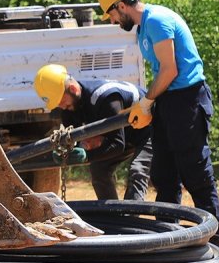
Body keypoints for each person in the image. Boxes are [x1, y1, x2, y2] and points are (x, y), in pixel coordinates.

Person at [97, 0, 219, 251]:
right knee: (164, 175)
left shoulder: (157, 21)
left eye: (110, 14)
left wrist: (147, 101)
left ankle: (216, 240)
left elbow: (170, 70)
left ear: (121, 6)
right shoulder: (144, 28)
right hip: (169, 102)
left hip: (187, 101)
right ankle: (169, 239)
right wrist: (152, 102)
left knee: (195, 172)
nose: (111, 21)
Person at [34, 64, 153, 201]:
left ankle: (132, 220)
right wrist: (66, 152)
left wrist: (86, 156)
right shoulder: (68, 106)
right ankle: (112, 217)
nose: (61, 107)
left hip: (148, 130)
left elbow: (118, 144)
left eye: (61, 101)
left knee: (138, 171)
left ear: (73, 89)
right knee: (98, 170)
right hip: (124, 132)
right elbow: (75, 141)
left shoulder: (106, 98)